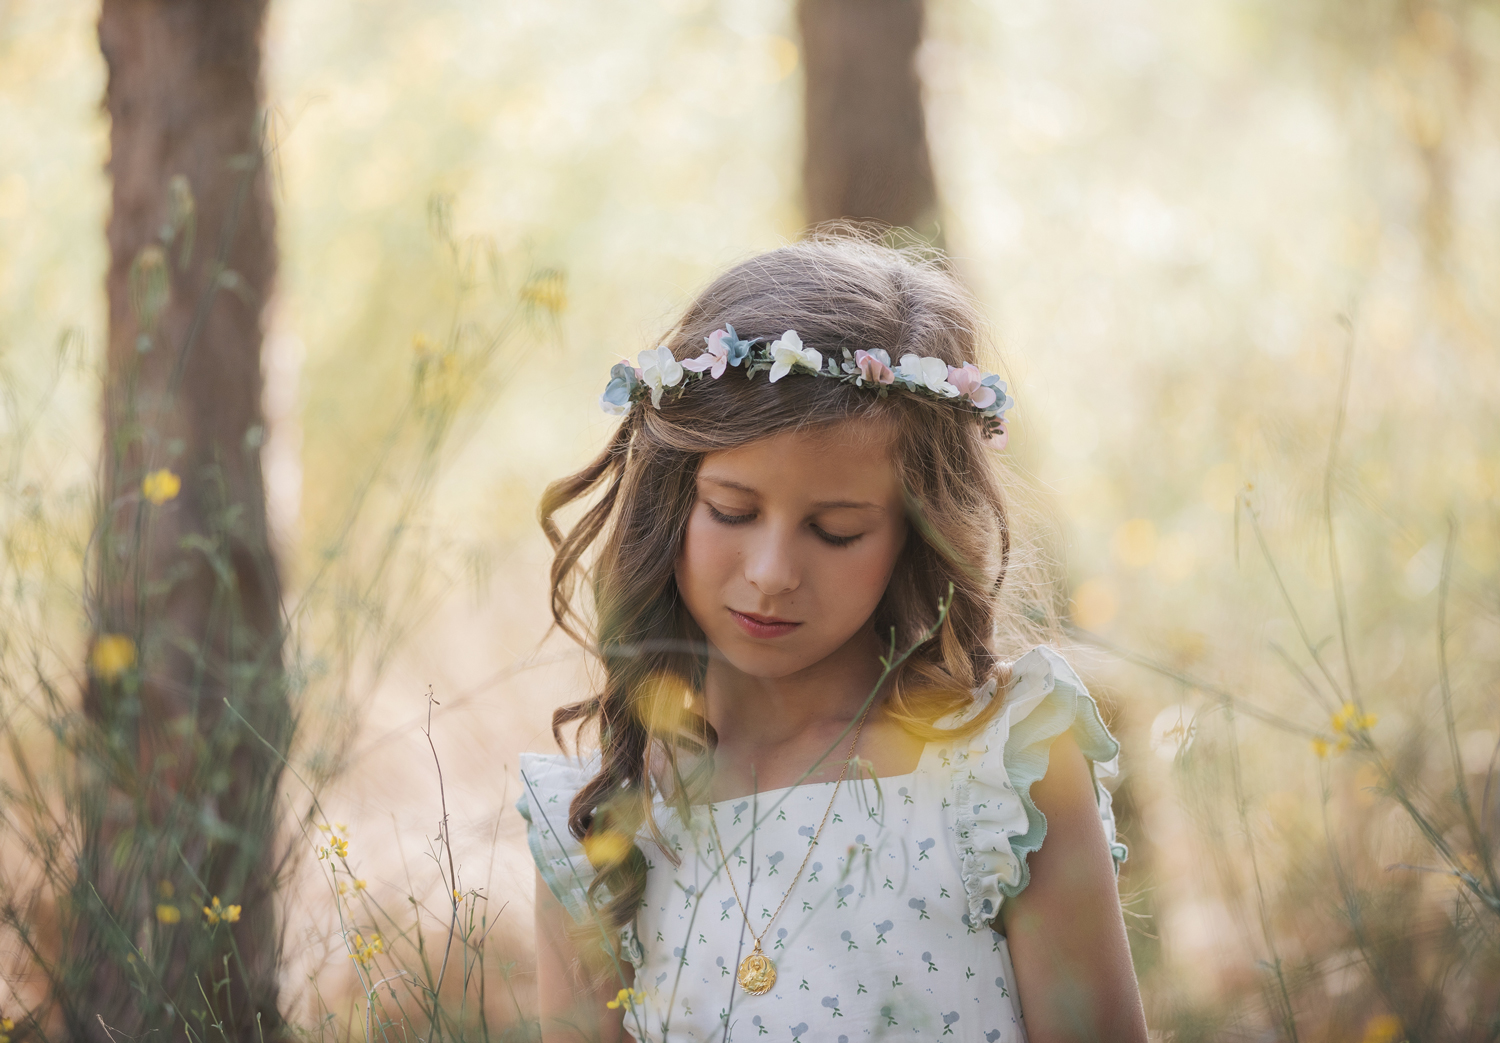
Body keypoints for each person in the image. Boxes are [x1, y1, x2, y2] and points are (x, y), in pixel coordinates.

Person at [519, 236, 1148, 1042]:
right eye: (732, 511)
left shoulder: (1001, 770)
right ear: (670, 497)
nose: (774, 570)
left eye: (837, 529)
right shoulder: (599, 824)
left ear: (916, 533)